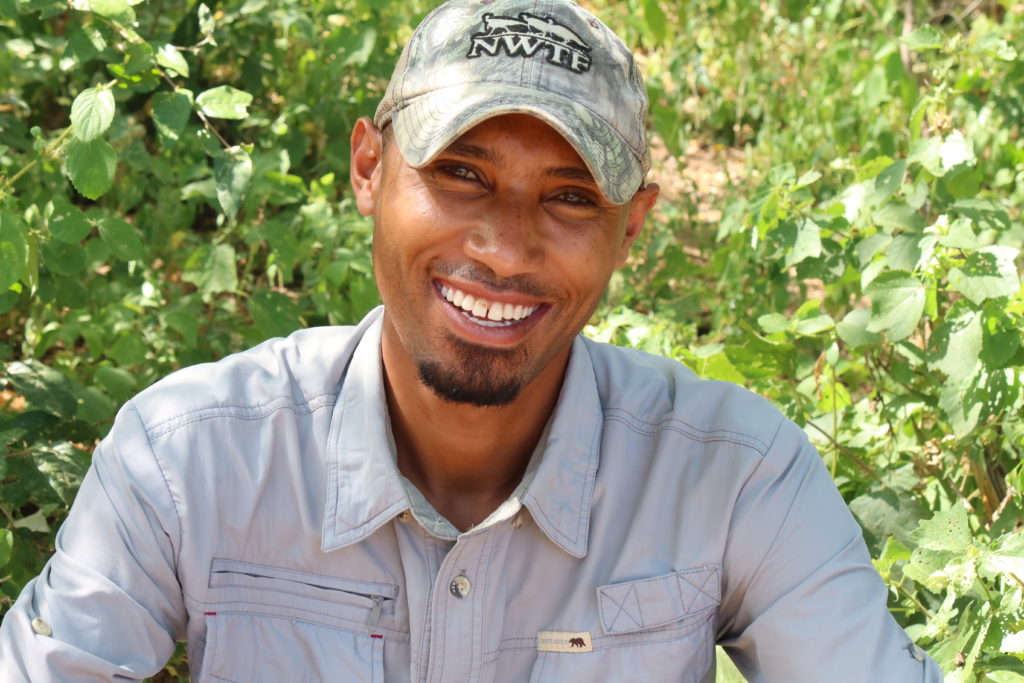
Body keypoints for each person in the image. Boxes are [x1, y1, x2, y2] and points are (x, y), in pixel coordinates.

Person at [0, 0, 941, 680]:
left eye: (571, 195)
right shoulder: (190, 457)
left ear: (634, 225)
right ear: (369, 168)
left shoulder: (733, 478)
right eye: (460, 173)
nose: (505, 246)